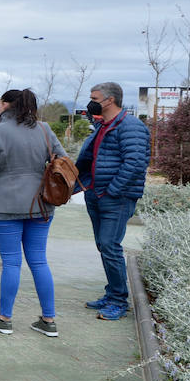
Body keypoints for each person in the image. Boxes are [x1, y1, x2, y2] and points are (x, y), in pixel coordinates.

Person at [0, 89, 65, 337]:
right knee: (39, 260)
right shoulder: (45, 129)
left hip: (6, 205)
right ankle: (49, 320)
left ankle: (4, 319)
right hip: (41, 204)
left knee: (11, 262)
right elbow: (63, 161)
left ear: (4, 105)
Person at [76, 81, 151, 320]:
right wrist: (87, 185)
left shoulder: (131, 126)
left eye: (95, 98)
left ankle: (119, 300)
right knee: (104, 245)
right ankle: (112, 293)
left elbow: (135, 163)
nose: (91, 102)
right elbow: (90, 158)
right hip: (97, 194)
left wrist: (112, 190)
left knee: (109, 245)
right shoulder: (102, 125)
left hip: (115, 198)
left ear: (110, 100)